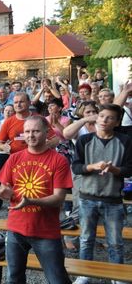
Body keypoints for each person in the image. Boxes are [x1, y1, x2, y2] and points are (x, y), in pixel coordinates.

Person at [0, 116, 72, 284]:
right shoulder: (14, 158)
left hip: (45, 231)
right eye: (27, 131)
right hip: (16, 229)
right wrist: (3, 192)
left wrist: (31, 201)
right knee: (13, 279)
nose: (30, 135)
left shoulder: (58, 160)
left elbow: (59, 198)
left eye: (36, 131)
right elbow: (3, 189)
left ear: (47, 133)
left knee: (57, 279)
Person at [71, 104, 132, 284]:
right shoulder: (84, 140)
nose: (104, 120)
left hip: (113, 199)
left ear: (117, 122)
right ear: (96, 117)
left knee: (115, 241)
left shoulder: (125, 141)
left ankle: (117, 276)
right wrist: (92, 166)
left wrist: (113, 169)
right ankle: (85, 274)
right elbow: (76, 167)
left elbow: (129, 169)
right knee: (86, 239)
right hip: (87, 197)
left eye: (110, 117)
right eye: (102, 116)